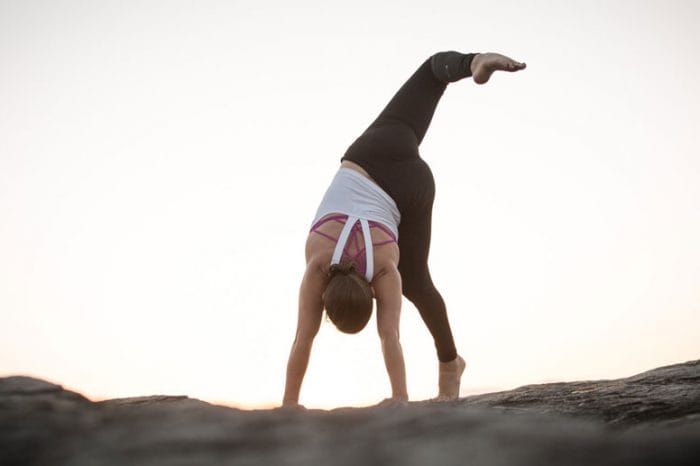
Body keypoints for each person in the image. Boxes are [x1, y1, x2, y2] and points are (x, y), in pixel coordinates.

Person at [282, 50, 526, 407]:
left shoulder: (382, 268)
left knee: (416, 281)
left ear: (373, 293)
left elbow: (388, 336)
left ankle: (449, 367)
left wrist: (400, 399)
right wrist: (288, 403)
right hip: (371, 152)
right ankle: (471, 63)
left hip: (413, 188)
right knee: (430, 73)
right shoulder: (319, 260)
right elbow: (302, 338)